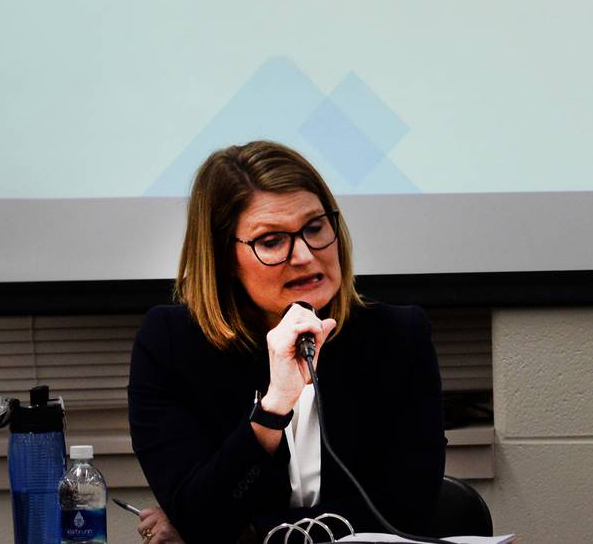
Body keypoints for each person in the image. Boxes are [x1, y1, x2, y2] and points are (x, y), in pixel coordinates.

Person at [127, 141, 446, 544]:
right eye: (272, 241)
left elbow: (408, 506)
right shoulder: (171, 345)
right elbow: (199, 512)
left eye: (315, 228)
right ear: (224, 258)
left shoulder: (399, 336)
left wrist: (254, 532)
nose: (305, 255)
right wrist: (273, 408)